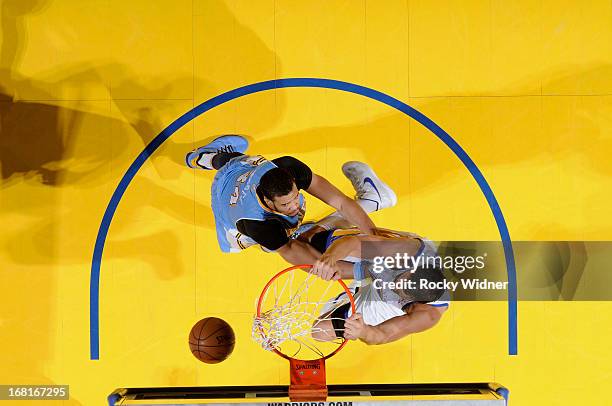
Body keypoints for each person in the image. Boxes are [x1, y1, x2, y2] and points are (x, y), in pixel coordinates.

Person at [185, 135, 396, 265]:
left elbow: (339, 201)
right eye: (286, 204)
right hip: (229, 210)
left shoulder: (287, 168)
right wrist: (359, 270)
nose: (295, 206)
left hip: (242, 173)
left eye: (296, 197)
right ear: (268, 202)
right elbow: (303, 258)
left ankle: (203, 157)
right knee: (298, 242)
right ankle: (205, 157)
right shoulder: (257, 224)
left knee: (234, 161)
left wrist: (375, 238)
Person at [302, 224, 450, 345]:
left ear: (414, 301)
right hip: (384, 264)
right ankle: (336, 221)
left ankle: (355, 292)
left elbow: (383, 334)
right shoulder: (410, 252)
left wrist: (363, 331)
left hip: (383, 301)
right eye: (400, 279)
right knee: (316, 244)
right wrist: (329, 258)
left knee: (319, 331)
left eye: (399, 289)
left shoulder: (427, 315)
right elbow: (352, 243)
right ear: (412, 269)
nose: (394, 285)